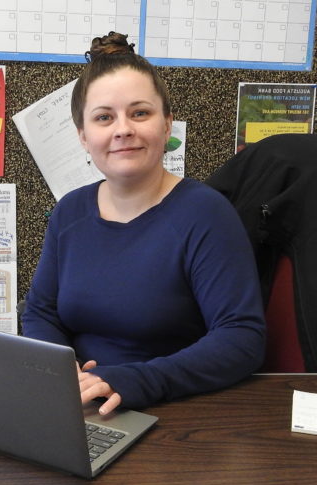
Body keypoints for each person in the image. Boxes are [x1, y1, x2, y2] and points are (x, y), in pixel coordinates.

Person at [21, 32, 266, 416]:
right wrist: (57, 369)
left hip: (166, 410)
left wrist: (135, 380)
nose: (123, 129)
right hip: (79, 405)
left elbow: (241, 338)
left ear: (166, 125)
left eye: (140, 113)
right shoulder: (70, 212)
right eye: (104, 117)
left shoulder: (205, 214)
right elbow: (41, 312)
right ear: (84, 137)